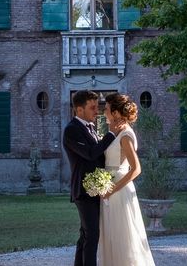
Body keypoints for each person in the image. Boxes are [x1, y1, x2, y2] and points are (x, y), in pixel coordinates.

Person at [98, 93, 156, 266]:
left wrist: (112, 189)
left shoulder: (125, 135)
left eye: (107, 109)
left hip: (119, 191)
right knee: (111, 236)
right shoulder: (115, 132)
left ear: (116, 113)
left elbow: (136, 168)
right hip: (109, 188)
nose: (104, 113)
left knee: (122, 237)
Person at [64, 90, 117, 266]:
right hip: (83, 190)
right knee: (92, 235)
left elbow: (100, 157)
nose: (97, 111)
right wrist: (111, 134)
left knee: (85, 235)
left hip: (95, 189)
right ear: (79, 110)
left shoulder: (91, 128)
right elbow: (90, 153)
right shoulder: (71, 130)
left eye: (98, 107)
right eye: (93, 108)